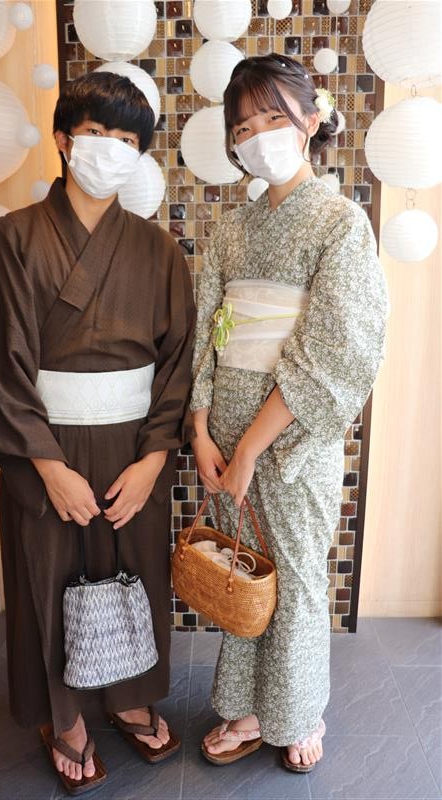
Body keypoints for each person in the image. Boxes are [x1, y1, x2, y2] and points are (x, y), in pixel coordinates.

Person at [0, 72, 196, 795]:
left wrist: (154, 458)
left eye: (127, 140)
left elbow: (177, 361)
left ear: (140, 154)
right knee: (48, 577)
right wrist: (48, 466)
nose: (110, 149)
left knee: (135, 569)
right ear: (63, 140)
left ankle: (129, 697)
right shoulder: (12, 238)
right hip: (42, 444)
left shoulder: (158, 250)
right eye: (95, 134)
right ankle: (64, 717)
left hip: (134, 448)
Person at [190, 54, 389, 773]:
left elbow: (337, 346)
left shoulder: (340, 223)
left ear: (310, 120)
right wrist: (199, 425)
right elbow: (207, 333)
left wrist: (251, 447)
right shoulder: (230, 229)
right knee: (244, 572)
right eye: (243, 126)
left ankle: (299, 712)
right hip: (224, 432)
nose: (258, 136)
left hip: (291, 437)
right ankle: (249, 708)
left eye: (273, 117)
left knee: (298, 576)